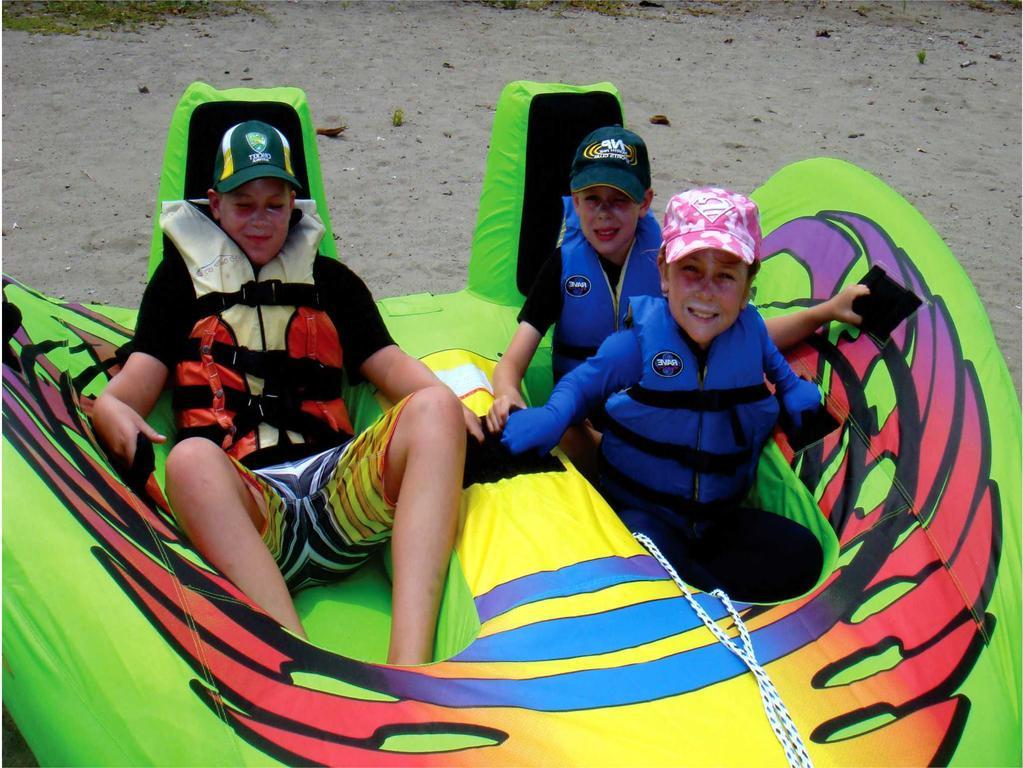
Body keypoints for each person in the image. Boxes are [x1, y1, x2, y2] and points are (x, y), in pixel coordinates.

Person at [92, 120, 483, 665]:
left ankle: (410, 666)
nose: (259, 220)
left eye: (274, 205)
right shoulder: (177, 285)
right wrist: (110, 406)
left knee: (437, 404)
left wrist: (458, 411)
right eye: (243, 203)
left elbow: (391, 365)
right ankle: (298, 663)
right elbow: (136, 379)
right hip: (254, 510)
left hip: (339, 495)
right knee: (188, 460)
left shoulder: (331, 282)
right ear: (214, 203)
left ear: (294, 203)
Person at [501, 187, 831, 602]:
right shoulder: (636, 346)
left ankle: (699, 588)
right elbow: (584, 384)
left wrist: (795, 392)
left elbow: (782, 376)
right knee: (649, 558)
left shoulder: (753, 337)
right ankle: (696, 589)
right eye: (691, 269)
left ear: (749, 284)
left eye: (726, 275)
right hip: (643, 515)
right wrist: (552, 415)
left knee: (802, 555)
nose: (706, 291)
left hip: (719, 519)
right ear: (664, 273)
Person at [485, 126, 867, 480]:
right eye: (592, 200)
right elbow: (512, 363)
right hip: (583, 422)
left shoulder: (681, 266)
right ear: (575, 200)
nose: (604, 214)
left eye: (620, 200)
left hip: (654, 415)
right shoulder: (562, 268)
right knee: (566, 431)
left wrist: (827, 311)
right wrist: (508, 396)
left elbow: (753, 336)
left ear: (645, 202)